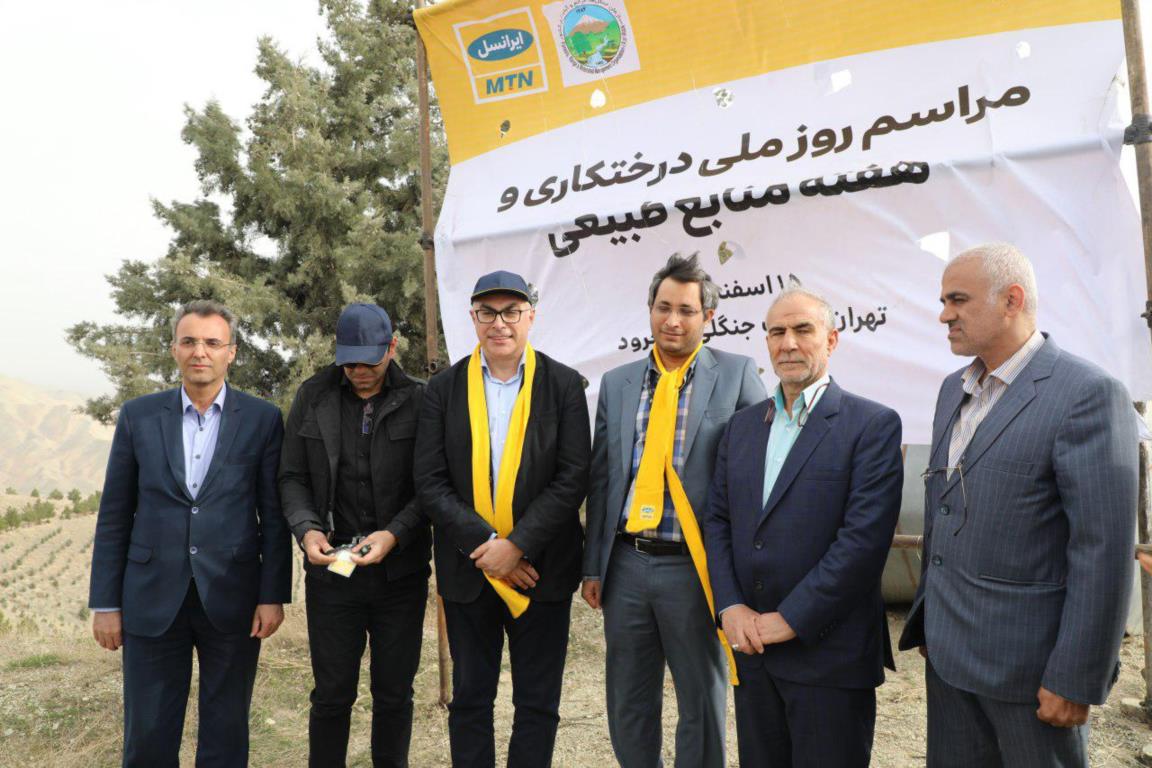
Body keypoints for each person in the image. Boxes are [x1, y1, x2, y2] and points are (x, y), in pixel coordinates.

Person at [899, 243, 1138, 767]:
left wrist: (1075, 676)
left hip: (1029, 674)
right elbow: (945, 513)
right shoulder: (953, 390)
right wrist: (930, 618)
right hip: (948, 660)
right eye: (943, 301)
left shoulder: (1087, 394)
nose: (944, 315)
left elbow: (1102, 549)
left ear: (1012, 299)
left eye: (958, 300)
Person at [703, 288, 903, 767]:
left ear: (831, 340)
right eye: (777, 332)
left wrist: (791, 619)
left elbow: (862, 543)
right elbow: (719, 520)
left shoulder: (871, 425)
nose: (788, 343)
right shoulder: (741, 428)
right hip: (754, 650)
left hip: (828, 656)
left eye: (802, 330)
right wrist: (730, 606)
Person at [88, 299, 291, 767]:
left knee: (226, 731)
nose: (200, 351)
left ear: (231, 352)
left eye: (212, 342)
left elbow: (273, 515)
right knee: (148, 734)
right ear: (174, 349)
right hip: (151, 598)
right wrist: (105, 603)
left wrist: (272, 595)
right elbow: (115, 514)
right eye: (190, 341)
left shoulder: (262, 419)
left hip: (233, 597)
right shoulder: (138, 416)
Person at [582, 253, 766, 768]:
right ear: (650, 310)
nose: (673, 320)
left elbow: (756, 474)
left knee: (701, 700)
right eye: (664, 307)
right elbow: (603, 478)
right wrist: (594, 566)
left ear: (708, 317)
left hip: (695, 567)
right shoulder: (618, 383)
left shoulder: (736, 375)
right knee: (628, 700)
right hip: (626, 565)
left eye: (686, 310)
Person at [414, 270, 590, 768]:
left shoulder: (563, 385)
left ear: (530, 316)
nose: (500, 323)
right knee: (470, 701)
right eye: (487, 312)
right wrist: (489, 546)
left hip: (541, 570)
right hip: (469, 572)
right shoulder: (443, 389)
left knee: (537, 704)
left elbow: (573, 476)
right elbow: (430, 481)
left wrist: (517, 546)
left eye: (511, 311)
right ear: (473, 319)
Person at [278, 303, 431, 768]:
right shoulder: (313, 395)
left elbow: (432, 485)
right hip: (332, 573)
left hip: (400, 575)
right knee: (331, 694)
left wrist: (395, 534)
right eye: (349, 362)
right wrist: (306, 530)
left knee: (394, 694)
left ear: (392, 347)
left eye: (369, 361)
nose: (359, 371)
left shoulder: (422, 399)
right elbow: (291, 476)